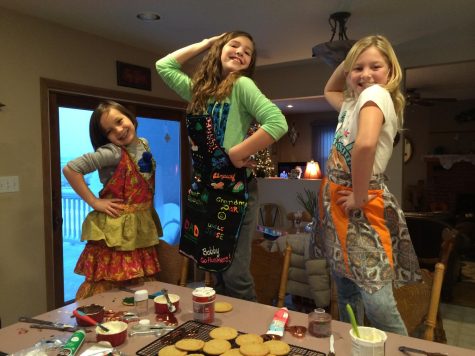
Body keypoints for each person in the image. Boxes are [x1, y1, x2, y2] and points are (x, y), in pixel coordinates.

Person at [156, 31, 288, 301]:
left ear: (249, 63)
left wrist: (238, 152)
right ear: (219, 50)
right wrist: (205, 43)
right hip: (206, 189)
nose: (241, 52)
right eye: (234, 45)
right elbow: (164, 65)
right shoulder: (199, 91)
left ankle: (247, 335)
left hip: (235, 190)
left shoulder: (242, 86)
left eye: (248, 51)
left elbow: (278, 123)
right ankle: (224, 330)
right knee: (215, 269)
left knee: (235, 274)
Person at [319, 35, 421, 335]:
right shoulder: (353, 102)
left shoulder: (375, 94)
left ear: (390, 71)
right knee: (347, 290)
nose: (365, 74)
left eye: (375, 66)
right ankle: (358, 347)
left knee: (378, 303)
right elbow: (329, 89)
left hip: (359, 205)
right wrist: (349, 61)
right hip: (339, 205)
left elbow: (365, 145)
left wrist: (360, 196)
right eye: (357, 68)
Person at [63, 101, 163, 299]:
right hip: (116, 230)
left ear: (129, 116)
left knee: (139, 286)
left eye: (120, 121)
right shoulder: (112, 152)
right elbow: (71, 169)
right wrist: (95, 202)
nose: (120, 130)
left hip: (140, 225)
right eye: (110, 130)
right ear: (105, 137)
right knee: (114, 286)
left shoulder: (143, 143)